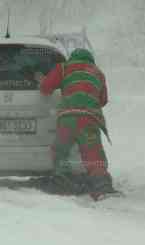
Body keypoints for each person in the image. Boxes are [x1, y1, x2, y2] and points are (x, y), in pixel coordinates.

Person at [35, 48, 116, 201]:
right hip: (89, 119)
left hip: (68, 118)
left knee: (60, 150)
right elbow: (103, 100)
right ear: (90, 60)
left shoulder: (64, 68)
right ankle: (102, 186)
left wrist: (42, 80)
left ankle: (63, 181)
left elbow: (46, 88)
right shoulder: (97, 72)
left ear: (72, 58)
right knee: (93, 153)